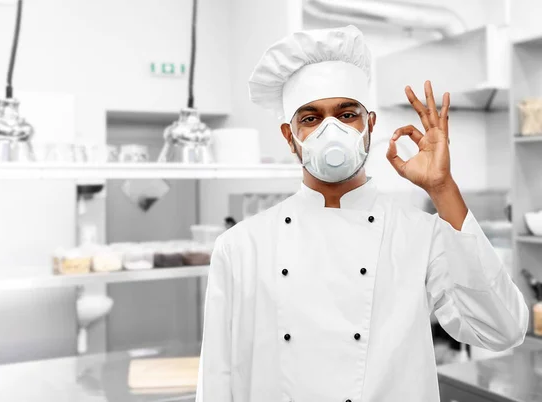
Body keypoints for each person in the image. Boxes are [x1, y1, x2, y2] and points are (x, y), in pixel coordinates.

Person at [196, 26, 528, 402]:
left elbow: (505, 330)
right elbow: (216, 380)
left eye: (346, 114)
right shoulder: (241, 247)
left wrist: (442, 188)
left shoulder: (419, 234)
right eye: (311, 118)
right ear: (290, 137)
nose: (331, 130)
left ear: (369, 125)